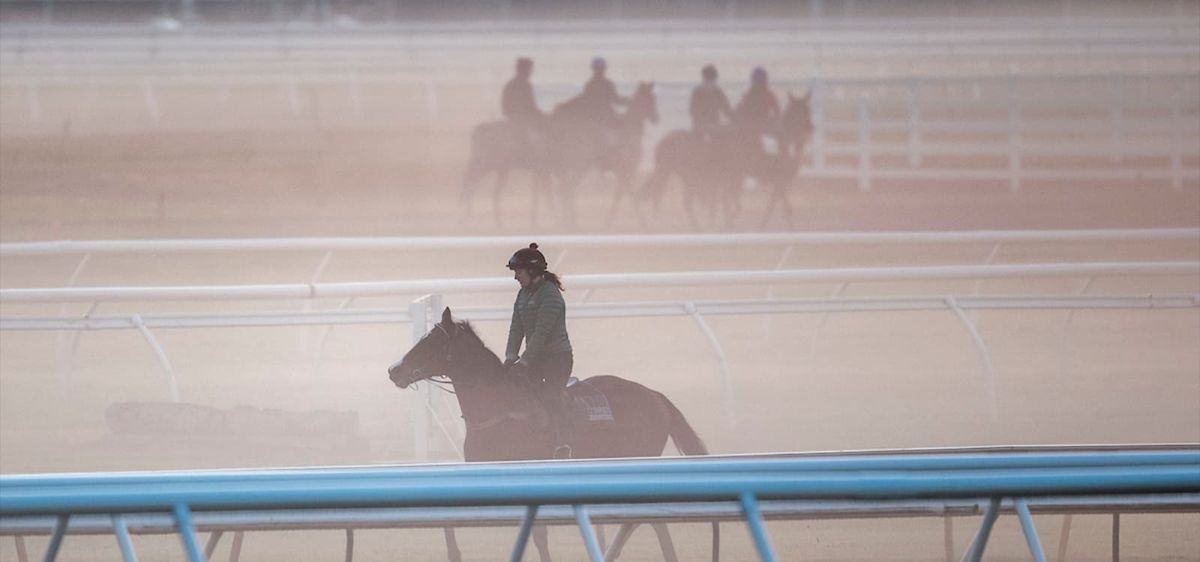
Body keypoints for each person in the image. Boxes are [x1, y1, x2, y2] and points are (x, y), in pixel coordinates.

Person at [504, 243, 575, 459]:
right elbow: (516, 328)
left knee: (551, 397)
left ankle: (563, 441)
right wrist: (510, 357)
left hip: (557, 359)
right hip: (535, 358)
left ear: (532, 271)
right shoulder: (523, 294)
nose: (515, 277)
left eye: (519, 272)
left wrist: (524, 361)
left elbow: (541, 334)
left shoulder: (550, 296)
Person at [570, 57, 629, 127]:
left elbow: (584, 100)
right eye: (601, 69)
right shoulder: (607, 84)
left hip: (592, 117)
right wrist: (629, 101)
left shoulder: (590, 84)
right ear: (604, 69)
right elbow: (616, 100)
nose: (601, 71)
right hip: (607, 116)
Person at [735, 66, 781, 144]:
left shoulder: (753, 94)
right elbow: (777, 112)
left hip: (759, 124)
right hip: (757, 124)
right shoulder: (752, 94)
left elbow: (777, 112)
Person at [689, 64, 734, 135]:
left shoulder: (697, 90)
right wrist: (735, 119)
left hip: (698, 125)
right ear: (715, 76)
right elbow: (726, 109)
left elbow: (692, 109)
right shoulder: (717, 90)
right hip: (714, 124)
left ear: (703, 76)